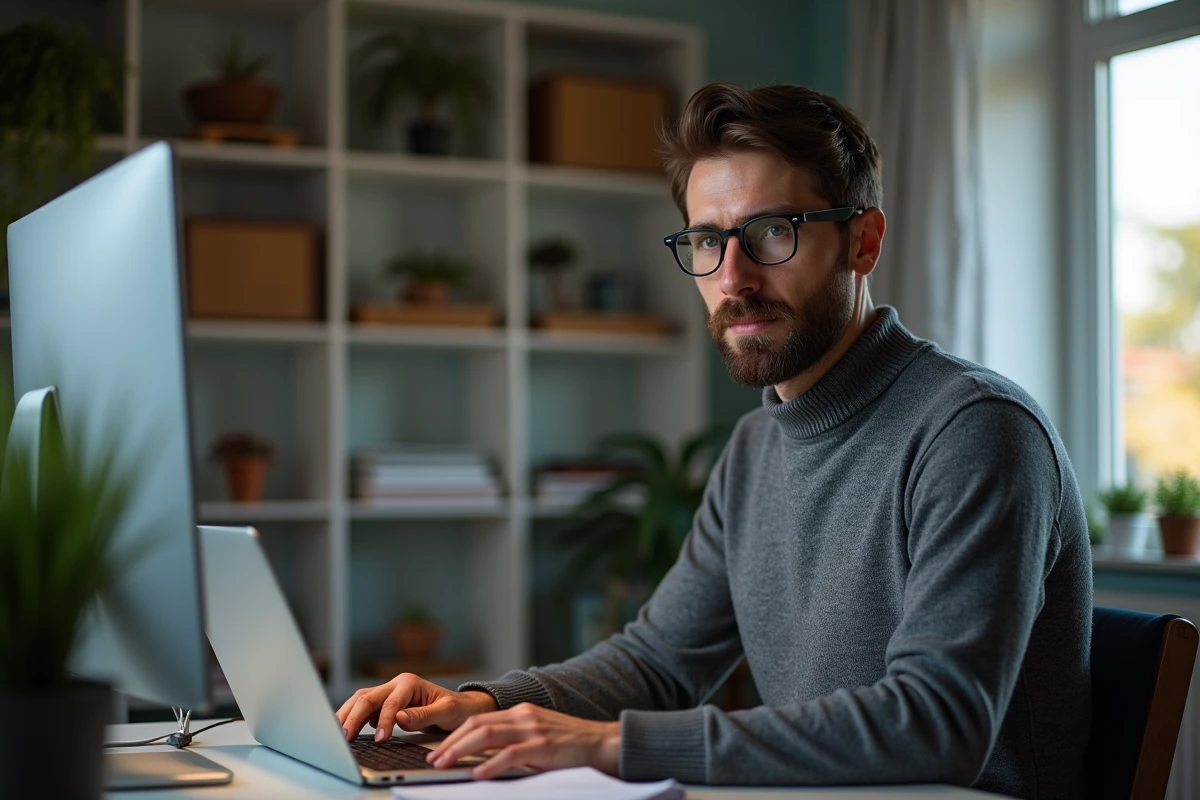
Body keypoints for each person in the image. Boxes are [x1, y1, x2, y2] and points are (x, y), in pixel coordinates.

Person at [337, 83, 1092, 798]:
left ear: (862, 242)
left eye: (772, 232)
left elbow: (937, 723)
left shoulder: (976, 430)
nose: (733, 278)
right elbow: (658, 663)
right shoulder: (756, 447)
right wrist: (483, 704)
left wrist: (609, 745)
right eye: (707, 240)